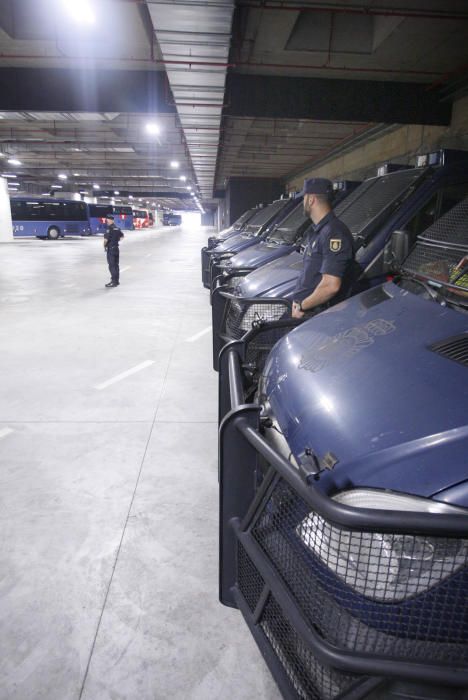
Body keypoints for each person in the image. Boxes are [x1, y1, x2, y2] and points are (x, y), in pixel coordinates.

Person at [292, 178, 354, 319]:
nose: (303, 203)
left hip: (315, 316)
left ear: (311, 200)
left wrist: (302, 306)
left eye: (304, 198)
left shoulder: (334, 232)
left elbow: (331, 286)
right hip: (305, 312)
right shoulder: (318, 231)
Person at [103, 214, 124, 288]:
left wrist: (104, 246)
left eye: (107, 219)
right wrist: (116, 240)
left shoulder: (109, 229)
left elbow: (106, 240)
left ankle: (113, 282)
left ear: (110, 220)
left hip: (111, 249)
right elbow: (122, 236)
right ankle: (117, 281)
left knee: (112, 266)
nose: (106, 221)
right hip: (116, 249)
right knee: (116, 265)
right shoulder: (117, 228)